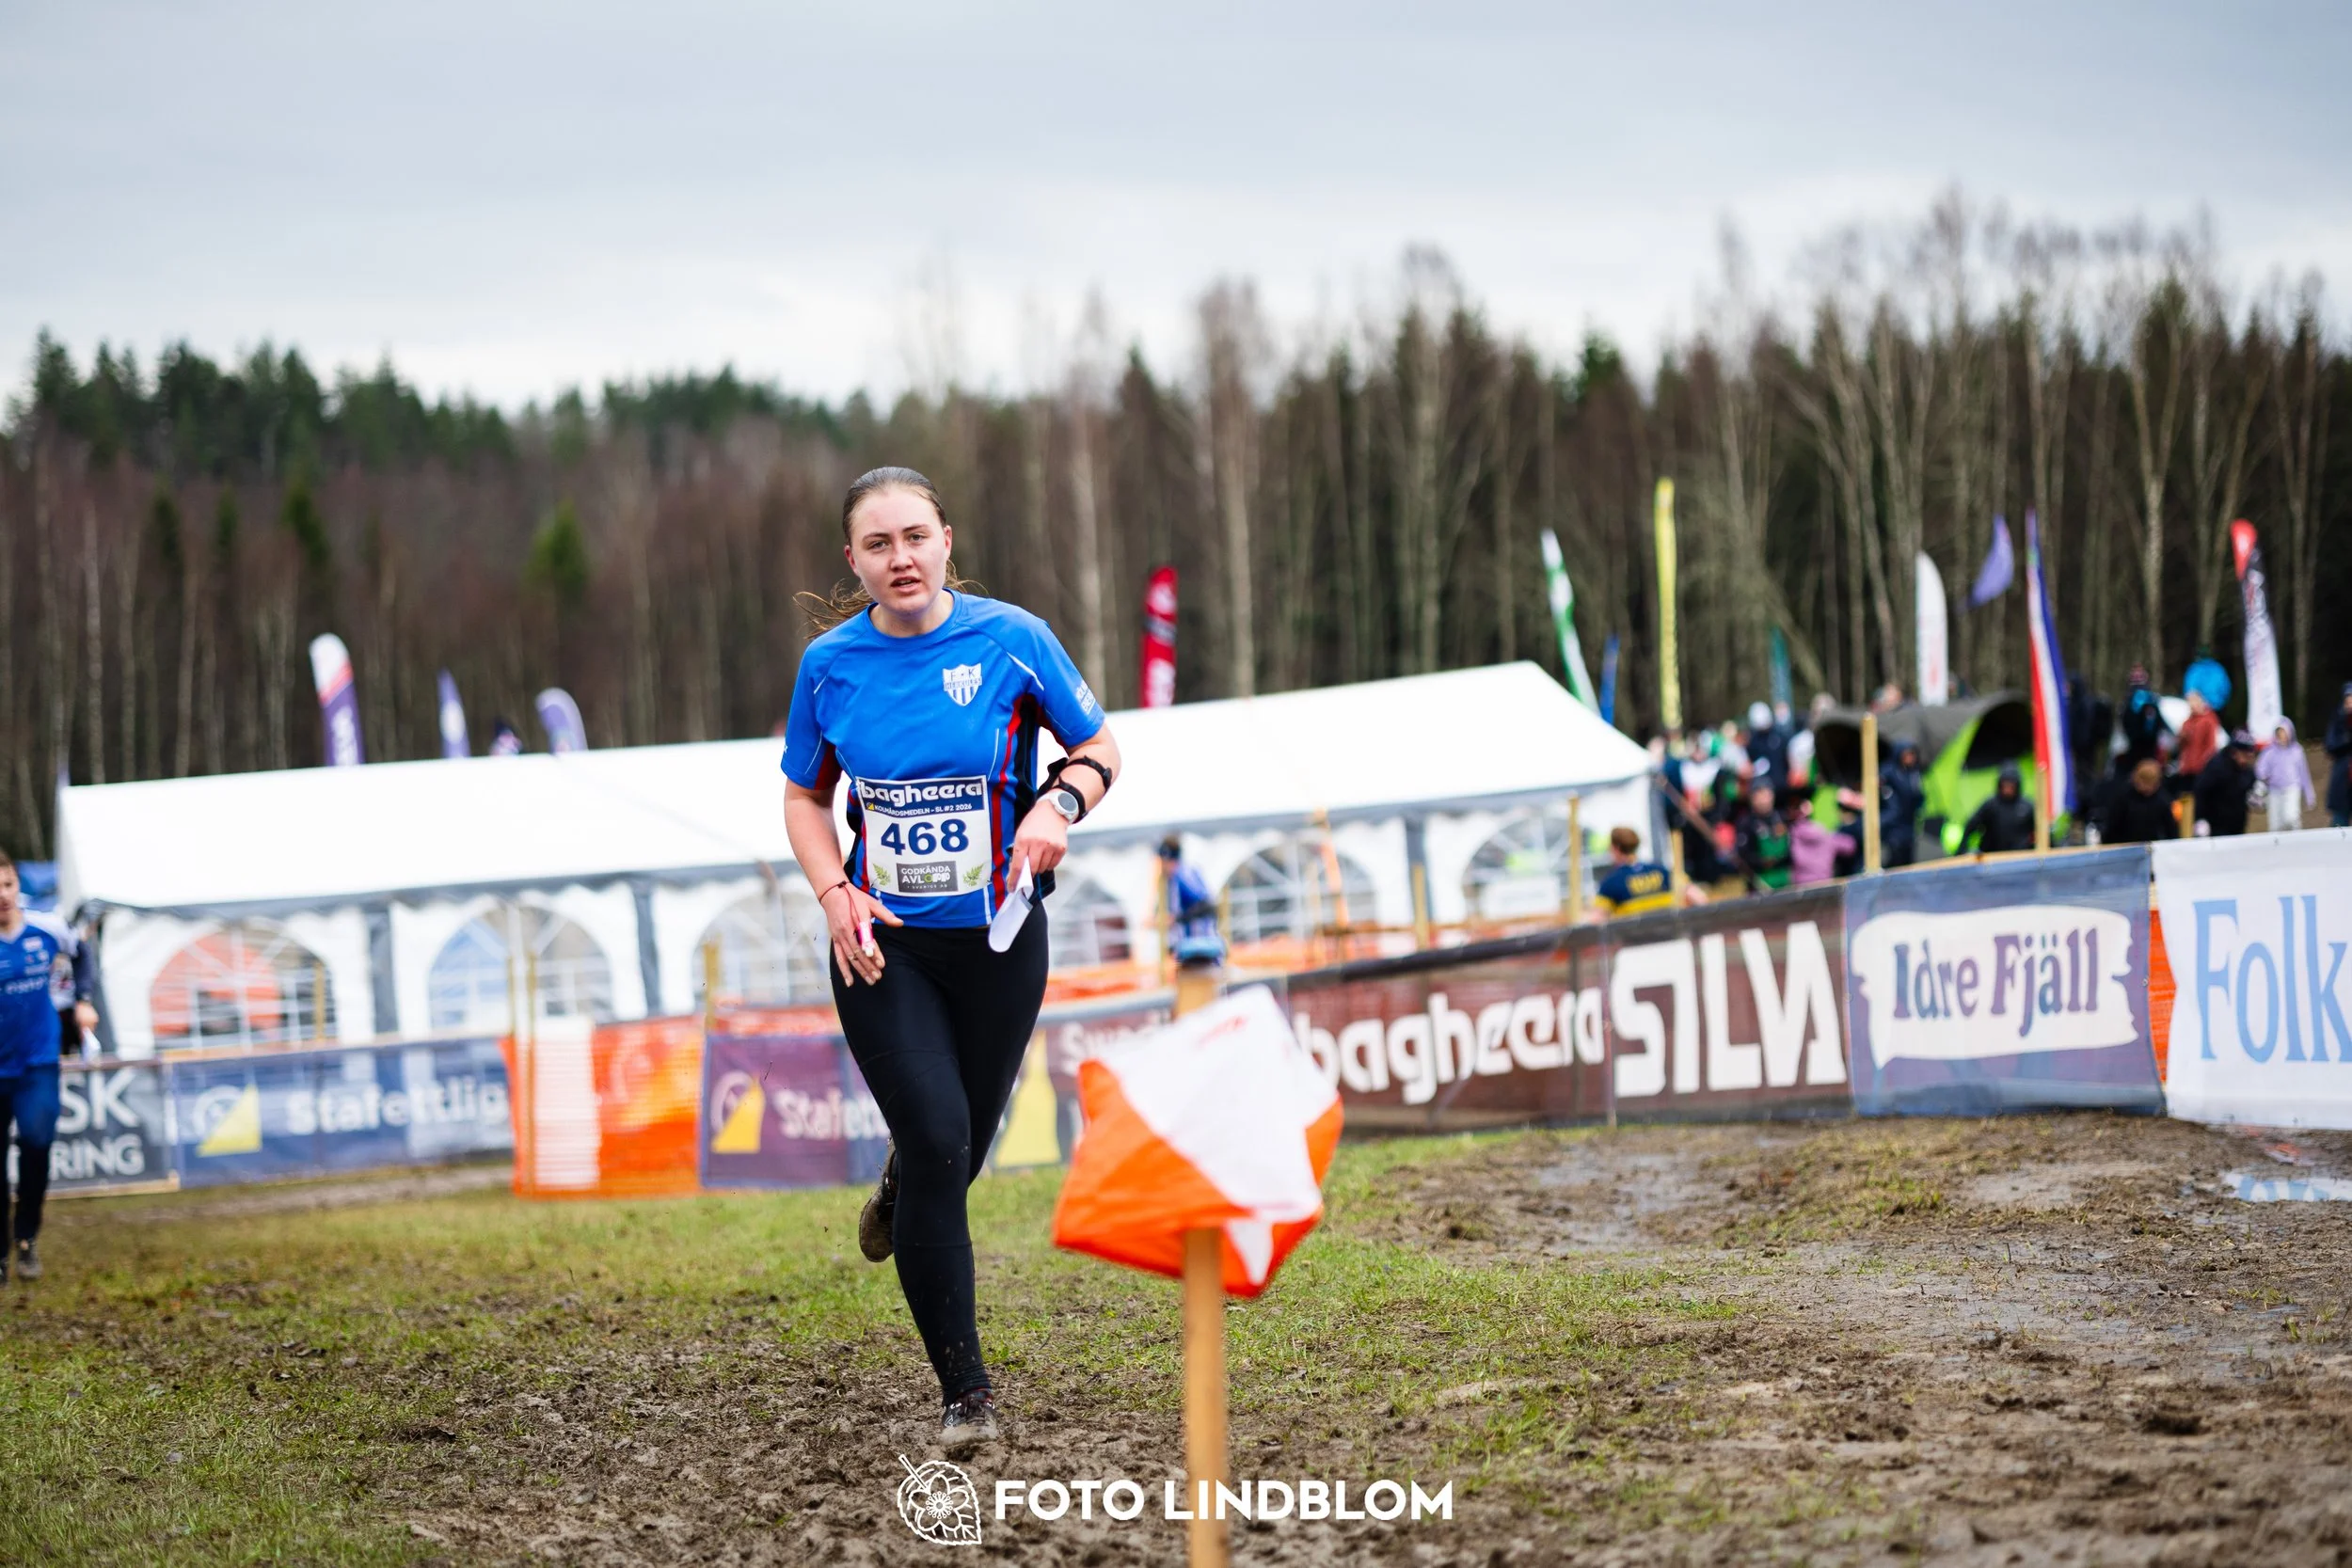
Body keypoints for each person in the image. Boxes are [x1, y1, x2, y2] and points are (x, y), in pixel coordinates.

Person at [780, 466, 1121, 1455]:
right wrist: (834, 890)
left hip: (1001, 940)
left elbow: (1097, 745)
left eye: (916, 537)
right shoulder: (828, 666)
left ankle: (899, 1190)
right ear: (853, 560)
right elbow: (805, 797)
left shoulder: (1012, 639)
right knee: (935, 1136)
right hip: (882, 948)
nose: (901, 558)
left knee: (952, 1153)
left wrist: (1058, 807)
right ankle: (966, 1394)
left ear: (945, 541)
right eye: (878, 544)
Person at [0, 850, 88, 1283]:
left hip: (37, 1062)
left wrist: (85, 1000)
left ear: (18, 886)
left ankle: (26, 1238)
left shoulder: (47, 927)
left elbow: (82, 951)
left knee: (36, 1143)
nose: (2, 896)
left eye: (8, 884)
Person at [1157, 836, 1224, 966]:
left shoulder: (1182, 876)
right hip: (1195, 945)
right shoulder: (1186, 872)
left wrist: (1176, 919)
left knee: (1198, 980)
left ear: (1166, 860)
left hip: (1199, 945)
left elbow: (1207, 906)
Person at [1593, 826, 1674, 916]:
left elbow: (1597, 920)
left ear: (1615, 848)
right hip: (1665, 928)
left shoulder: (1611, 883)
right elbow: (1690, 893)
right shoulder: (1662, 871)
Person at [2192, 730, 2259, 837]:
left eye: (2250, 755)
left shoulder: (2247, 770)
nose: (2247, 759)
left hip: (2237, 825)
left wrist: (2254, 797)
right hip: (2215, 824)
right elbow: (2201, 790)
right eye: (2244, 755)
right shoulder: (2217, 766)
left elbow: (2250, 788)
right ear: (2234, 753)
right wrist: (2200, 819)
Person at [2100, 759, 2180, 844]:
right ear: (2136, 779)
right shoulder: (2123, 798)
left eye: (2151, 783)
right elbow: (2111, 827)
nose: (2147, 787)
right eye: (2144, 782)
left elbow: (2171, 830)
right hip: (2124, 846)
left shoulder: (2162, 800)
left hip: (2150, 847)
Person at [2256, 719, 2315, 832]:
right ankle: (2277, 846)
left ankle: (2295, 841)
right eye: (2279, 733)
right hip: (2274, 790)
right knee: (2275, 824)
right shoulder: (2269, 751)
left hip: (2291, 789)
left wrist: (2309, 795)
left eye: (2284, 733)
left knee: (2291, 818)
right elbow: (2260, 768)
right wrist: (2264, 776)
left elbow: (2304, 774)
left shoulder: (2297, 751)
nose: (2282, 736)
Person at [1961, 764, 2037, 853]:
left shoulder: (2027, 806)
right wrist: (1961, 849)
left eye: (2011, 785)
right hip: (1993, 856)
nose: (2008, 789)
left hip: (2020, 856)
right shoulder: (1991, 805)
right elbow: (1971, 825)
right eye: (2005, 785)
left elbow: (2041, 830)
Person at [1734, 784, 1792, 892]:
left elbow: (1791, 848)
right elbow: (1743, 855)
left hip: (1785, 880)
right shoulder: (1746, 823)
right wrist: (1764, 862)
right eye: (1759, 796)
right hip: (1760, 883)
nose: (1764, 800)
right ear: (1752, 799)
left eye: (1766, 795)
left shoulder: (1782, 818)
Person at [1787, 797, 1855, 888]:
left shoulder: (1792, 834)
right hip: (1824, 883)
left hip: (1800, 885)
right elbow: (1850, 846)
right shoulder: (1826, 835)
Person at [1879, 740, 1926, 867]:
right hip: (1893, 824)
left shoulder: (1914, 773)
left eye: (1912, 755)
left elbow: (1918, 795)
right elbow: (1885, 794)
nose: (1910, 758)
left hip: (1909, 823)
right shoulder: (1888, 772)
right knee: (1894, 858)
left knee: (1908, 858)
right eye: (1907, 755)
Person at [2176, 689, 2221, 779]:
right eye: (2190, 702)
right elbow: (2181, 746)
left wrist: (2204, 763)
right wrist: (2183, 737)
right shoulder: (2187, 722)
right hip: (2187, 767)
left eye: (2194, 701)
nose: (2192, 705)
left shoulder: (2209, 721)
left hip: (2201, 768)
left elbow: (2211, 746)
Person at [2327, 685, 2352, 829]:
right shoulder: (2337, 720)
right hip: (2342, 783)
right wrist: (2346, 739)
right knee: (2339, 824)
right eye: (2347, 701)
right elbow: (2330, 746)